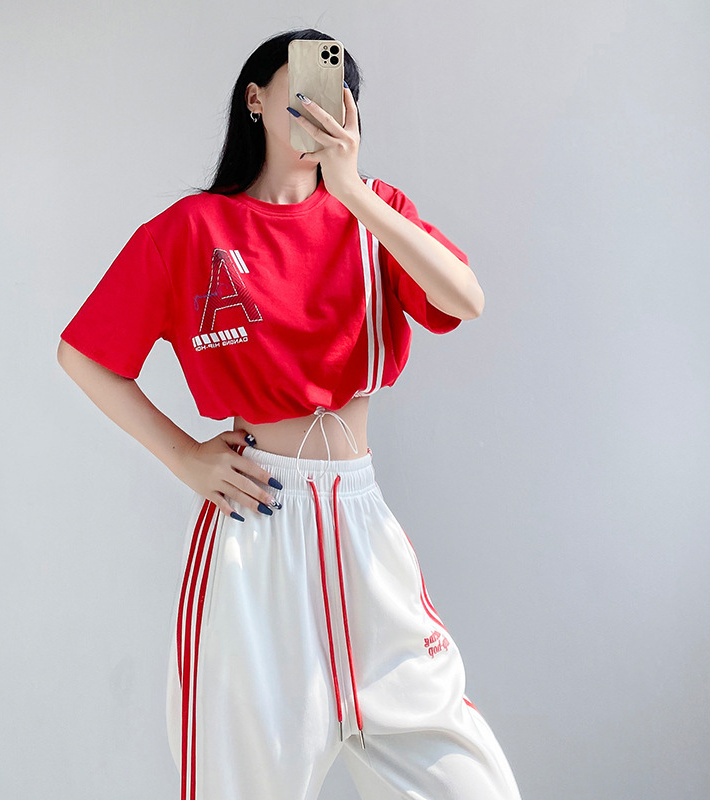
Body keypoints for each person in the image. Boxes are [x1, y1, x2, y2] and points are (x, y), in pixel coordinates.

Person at [58, 27, 523, 800]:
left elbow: (464, 298)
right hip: (257, 528)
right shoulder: (194, 230)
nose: (320, 107)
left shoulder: (375, 216)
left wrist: (353, 192)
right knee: (242, 779)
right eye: (300, 88)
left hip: (362, 525)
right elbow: (85, 355)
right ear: (256, 99)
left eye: (336, 93)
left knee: (470, 784)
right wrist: (184, 458)